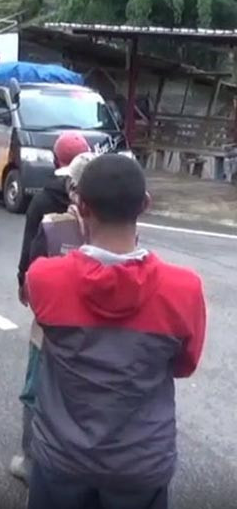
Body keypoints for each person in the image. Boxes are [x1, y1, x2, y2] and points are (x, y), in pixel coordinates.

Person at [26, 154, 207, 509]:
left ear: (80, 205)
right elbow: (184, 366)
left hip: (62, 458)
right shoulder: (184, 289)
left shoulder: (44, 279)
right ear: (145, 205)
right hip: (141, 462)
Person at [9, 150, 95, 484]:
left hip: (50, 330)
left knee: (34, 391)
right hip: (99, 335)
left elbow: (33, 279)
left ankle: (31, 461)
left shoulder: (53, 226)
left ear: (74, 187)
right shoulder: (122, 229)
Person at [17, 131, 91, 303]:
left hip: (51, 285)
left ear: (56, 160)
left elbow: (30, 246)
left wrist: (23, 280)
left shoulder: (42, 200)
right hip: (89, 284)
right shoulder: (97, 198)